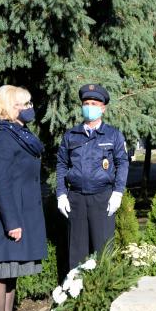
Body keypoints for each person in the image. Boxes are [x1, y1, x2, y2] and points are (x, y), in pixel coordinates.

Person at [0, 85, 47, 311]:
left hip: (22, 213)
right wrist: (12, 222)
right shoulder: (3, 138)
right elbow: (1, 184)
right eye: (22, 104)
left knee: (11, 274)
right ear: (8, 108)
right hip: (8, 218)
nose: (28, 108)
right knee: (1, 273)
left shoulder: (21, 134)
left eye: (29, 102)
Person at [56, 84, 129, 269]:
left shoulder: (113, 135)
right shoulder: (71, 135)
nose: (90, 107)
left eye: (95, 103)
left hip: (102, 198)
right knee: (77, 253)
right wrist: (61, 194)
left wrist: (118, 193)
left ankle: (104, 295)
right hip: (76, 199)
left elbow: (122, 164)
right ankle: (77, 295)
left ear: (103, 108)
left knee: (103, 251)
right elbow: (62, 164)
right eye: (86, 103)